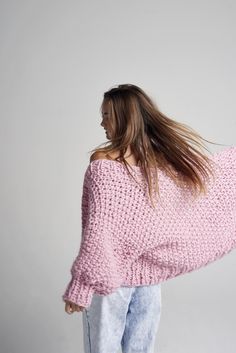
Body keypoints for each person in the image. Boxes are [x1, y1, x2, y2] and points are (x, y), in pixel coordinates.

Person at [62, 84, 236, 353]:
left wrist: (81, 286)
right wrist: (84, 284)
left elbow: (107, 229)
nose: (101, 123)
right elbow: (103, 230)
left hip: (140, 283)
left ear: (123, 117)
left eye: (106, 114)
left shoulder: (154, 165)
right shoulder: (107, 163)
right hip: (115, 281)